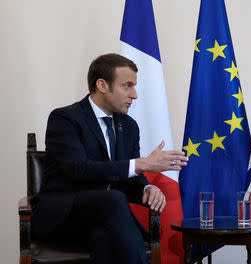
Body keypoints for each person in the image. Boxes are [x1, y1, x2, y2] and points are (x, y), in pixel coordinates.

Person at [31, 53, 188, 264]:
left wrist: (146, 188)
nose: (135, 94)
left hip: (104, 219)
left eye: (134, 86)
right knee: (113, 200)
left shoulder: (129, 127)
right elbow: (78, 170)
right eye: (127, 86)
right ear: (102, 85)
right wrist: (142, 164)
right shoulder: (65, 119)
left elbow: (128, 176)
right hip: (64, 216)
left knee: (103, 236)